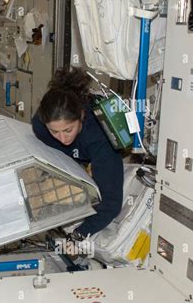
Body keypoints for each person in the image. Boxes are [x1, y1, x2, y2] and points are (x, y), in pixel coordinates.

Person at [32, 67, 124, 241]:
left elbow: (111, 204)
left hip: (98, 149)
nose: (62, 138)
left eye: (68, 130)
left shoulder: (100, 138)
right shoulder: (40, 127)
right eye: (55, 132)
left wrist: (79, 234)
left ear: (81, 115)